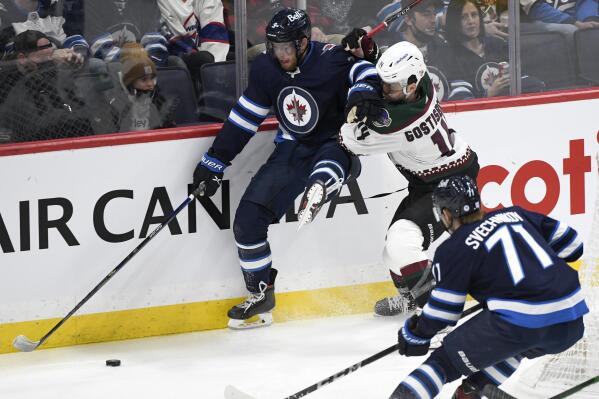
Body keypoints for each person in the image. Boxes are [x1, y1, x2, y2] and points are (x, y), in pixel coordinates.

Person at [190, 8, 379, 329]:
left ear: (304, 42)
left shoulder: (332, 58)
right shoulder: (266, 69)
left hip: (336, 143)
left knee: (329, 160)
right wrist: (214, 161)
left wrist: (361, 95)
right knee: (247, 223)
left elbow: (368, 74)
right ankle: (261, 294)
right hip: (292, 149)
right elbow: (244, 118)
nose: (280, 54)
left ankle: (322, 184)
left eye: (286, 48)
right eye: (274, 47)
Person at [389, 174, 588, 398]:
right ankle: (472, 390)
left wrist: (415, 334)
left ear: (445, 214)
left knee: (443, 363)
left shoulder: (453, 248)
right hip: (571, 321)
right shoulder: (516, 213)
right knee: (515, 349)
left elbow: (444, 313)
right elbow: (574, 246)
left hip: (520, 323)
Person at [339, 41, 479, 317]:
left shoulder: (400, 122)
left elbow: (346, 138)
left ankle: (439, 313)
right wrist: (370, 52)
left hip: (451, 183)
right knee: (391, 253)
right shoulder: (422, 81)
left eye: (390, 86)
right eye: (384, 83)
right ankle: (412, 299)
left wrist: (357, 96)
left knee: (402, 243)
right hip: (431, 180)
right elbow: (391, 73)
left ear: (411, 85)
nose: (384, 90)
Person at [0, 29, 92, 142]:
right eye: (43, 62)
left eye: (51, 62)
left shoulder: (61, 77)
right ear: (22, 58)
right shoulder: (7, 86)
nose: (48, 67)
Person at [116, 42, 175, 132]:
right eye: (144, 80)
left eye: (152, 79)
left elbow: (168, 125)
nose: (150, 84)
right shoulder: (119, 99)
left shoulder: (157, 98)